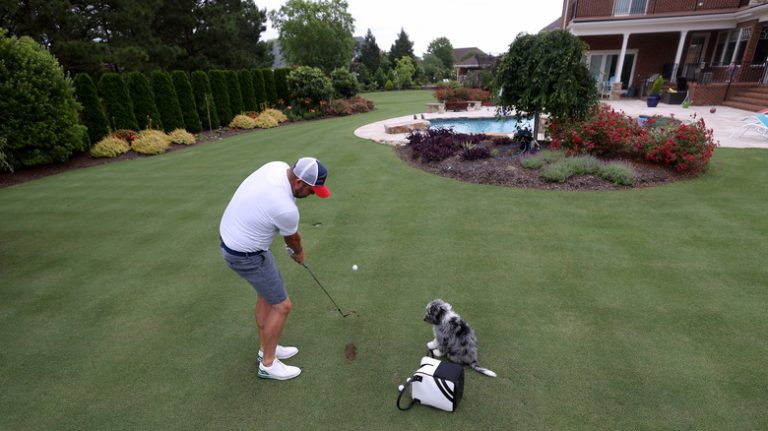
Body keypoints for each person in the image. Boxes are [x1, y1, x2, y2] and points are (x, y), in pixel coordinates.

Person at [219, 157, 330, 380]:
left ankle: (266, 348)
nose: (311, 196)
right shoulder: (286, 208)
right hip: (245, 253)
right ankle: (268, 364)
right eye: (311, 191)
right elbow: (293, 241)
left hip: (234, 240)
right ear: (298, 183)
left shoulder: (277, 166)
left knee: (267, 296)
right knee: (282, 306)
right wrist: (299, 254)